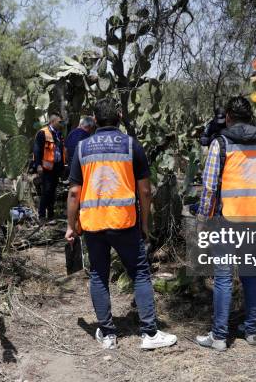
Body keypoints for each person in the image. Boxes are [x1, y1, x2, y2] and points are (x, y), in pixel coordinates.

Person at [65, 97, 177, 350]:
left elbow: (74, 193)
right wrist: (145, 223)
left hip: (93, 224)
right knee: (139, 274)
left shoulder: (82, 148)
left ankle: (108, 334)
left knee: (98, 276)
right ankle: (149, 333)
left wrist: (71, 225)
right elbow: (145, 191)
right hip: (124, 222)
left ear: (94, 119)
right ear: (118, 116)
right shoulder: (131, 145)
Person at [195, 95, 256, 351]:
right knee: (250, 274)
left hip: (229, 219)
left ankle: (219, 337)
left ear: (228, 118)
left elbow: (209, 187)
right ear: (250, 118)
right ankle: (252, 332)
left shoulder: (221, 144)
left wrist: (203, 220)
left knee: (222, 277)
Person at [33, 113, 65, 220]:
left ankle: (51, 214)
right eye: (60, 122)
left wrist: (62, 166)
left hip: (55, 167)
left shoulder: (58, 134)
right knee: (46, 191)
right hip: (46, 168)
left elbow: (59, 150)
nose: (62, 124)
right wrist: (38, 165)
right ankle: (41, 215)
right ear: (53, 121)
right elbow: (37, 150)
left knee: (52, 191)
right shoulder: (43, 133)